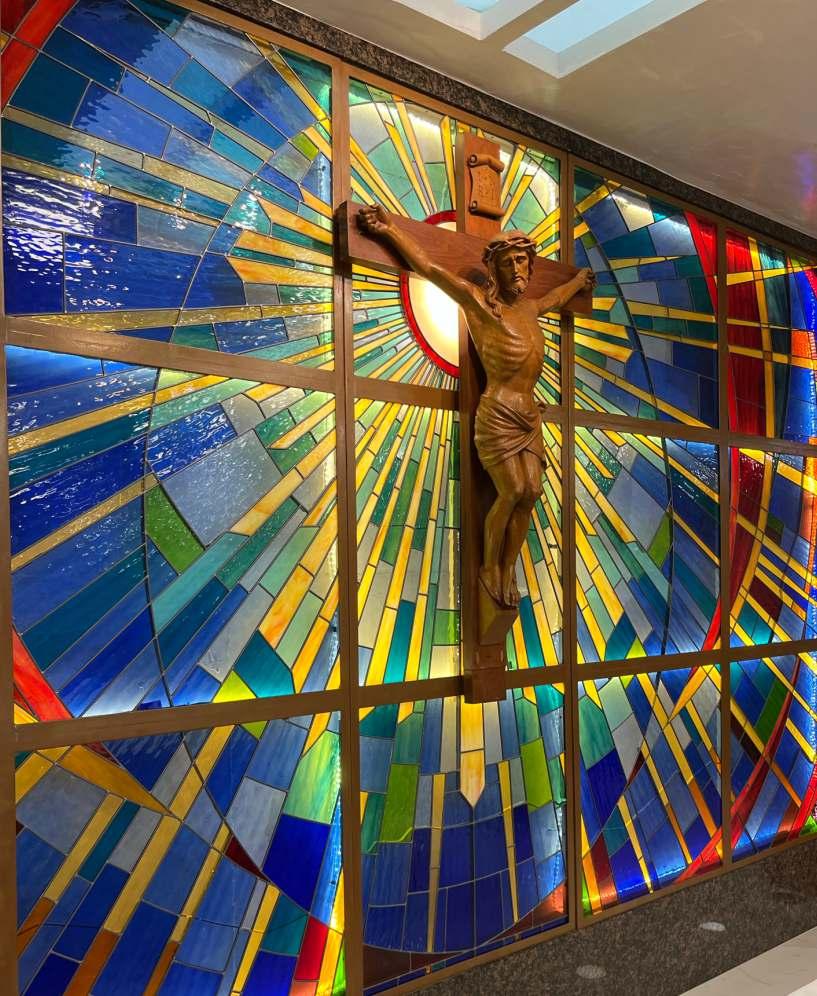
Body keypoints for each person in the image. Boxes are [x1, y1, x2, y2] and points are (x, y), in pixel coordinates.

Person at [358, 204, 595, 608]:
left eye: (522, 260)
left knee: (532, 491)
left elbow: (556, 297)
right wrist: (388, 230)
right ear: (494, 269)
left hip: (529, 415)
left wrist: (577, 281)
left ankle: (508, 567)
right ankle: (489, 567)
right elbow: (430, 267)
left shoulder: (529, 308)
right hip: (498, 411)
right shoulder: (478, 304)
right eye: (509, 262)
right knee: (513, 489)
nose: (518, 269)